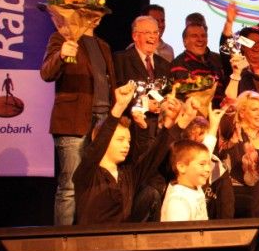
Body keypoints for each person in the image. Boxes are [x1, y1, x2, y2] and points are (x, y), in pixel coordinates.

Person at [73, 83, 196, 225]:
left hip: (123, 238)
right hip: (91, 238)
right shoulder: (88, 173)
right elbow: (97, 147)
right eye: (120, 139)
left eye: (128, 141)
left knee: (150, 192)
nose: (126, 145)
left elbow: (153, 156)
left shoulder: (128, 175)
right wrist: (119, 107)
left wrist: (182, 122)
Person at [41, 20, 116, 226]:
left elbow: (109, 81)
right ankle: (63, 240)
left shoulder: (103, 45)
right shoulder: (62, 37)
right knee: (70, 187)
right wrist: (61, 55)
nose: (95, 17)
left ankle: (88, 236)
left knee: (97, 184)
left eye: (98, 13)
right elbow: (46, 73)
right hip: (73, 121)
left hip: (102, 121)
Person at [218, 90, 259, 216]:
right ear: (242, 113)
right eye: (255, 109)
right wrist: (236, 78)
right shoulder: (232, 131)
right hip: (234, 195)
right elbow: (228, 105)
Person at [170, 21, 225, 106]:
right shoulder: (179, 64)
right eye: (194, 36)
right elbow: (187, 96)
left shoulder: (217, 59)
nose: (200, 39)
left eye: (203, 36)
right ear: (184, 41)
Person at [160, 140, 212, 222]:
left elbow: (209, 146)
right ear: (182, 167)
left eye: (209, 164)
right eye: (202, 164)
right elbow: (178, 230)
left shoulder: (195, 186)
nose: (208, 169)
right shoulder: (178, 202)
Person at [114, 15, 171, 83]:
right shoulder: (120, 60)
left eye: (155, 32)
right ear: (135, 36)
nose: (153, 36)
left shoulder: (165, 65)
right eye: (147, 32)